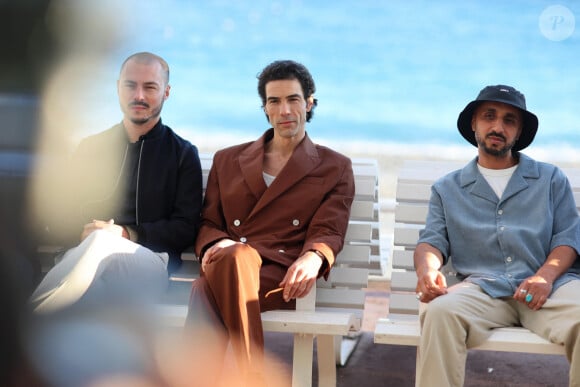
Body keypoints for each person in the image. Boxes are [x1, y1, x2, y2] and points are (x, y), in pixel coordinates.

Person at [186, 59, 355, 383]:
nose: (284, 110)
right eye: (274, 101)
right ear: (265, 108)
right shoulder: (228, 159)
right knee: (234, 257)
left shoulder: (334, 166)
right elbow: (209, 221)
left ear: (309, 102)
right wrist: (217, 241)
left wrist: (314, 256)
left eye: (293, 99)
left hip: (282, 275)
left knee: (204, 290)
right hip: (230, 259)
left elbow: (329, 227)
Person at [414, 84, 580, 386]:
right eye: (489, 116)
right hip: (482, 291)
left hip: (547, 290)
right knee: (439, 313)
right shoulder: (446, 189)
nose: (498, 126)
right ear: (474, 123)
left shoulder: (551, 179)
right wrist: (428, 270)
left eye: (509, 120)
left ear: (518, 134)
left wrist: (544, 277)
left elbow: (568, 239)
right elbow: (432, 241)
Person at [30, 52, 203, 313]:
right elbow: (59, 218)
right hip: (81, 262)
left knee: (101, 242)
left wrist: (125, 234)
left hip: (148, 265)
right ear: (117, 87)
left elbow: (185, 228)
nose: (139, 96)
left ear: (166, 92)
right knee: (89, 299)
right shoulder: (90, 148)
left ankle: (25, 325)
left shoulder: (182, 154)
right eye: (130, 85)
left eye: (150, 87)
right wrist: (80, 232)